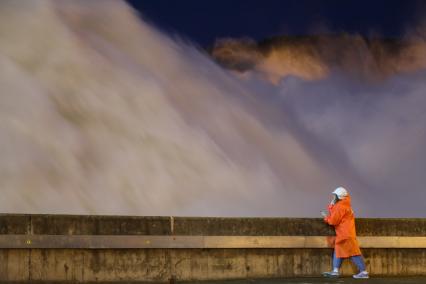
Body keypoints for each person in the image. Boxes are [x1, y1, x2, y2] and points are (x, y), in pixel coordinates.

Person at [321, 186, 369, 279]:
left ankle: (363, 272)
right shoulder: (346, 205)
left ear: (339, 197)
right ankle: (335, 270)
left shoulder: (340, 207)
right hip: (348, 233)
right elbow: (337, 214)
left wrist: (326, 218)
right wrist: (332, 206)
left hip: (344, 234)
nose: (333, 198)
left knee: (353, 253)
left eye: (335, 196)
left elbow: (333, 221)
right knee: (339, 250)